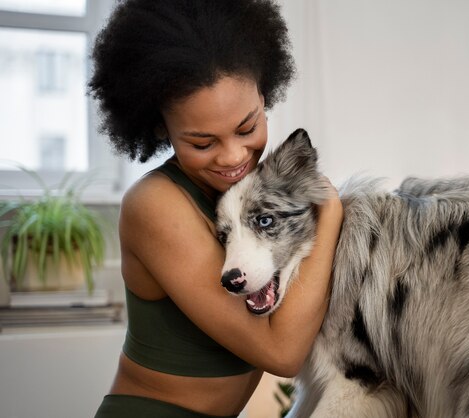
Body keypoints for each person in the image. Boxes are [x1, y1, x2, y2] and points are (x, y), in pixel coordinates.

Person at [88, 1, 343, 417]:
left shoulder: (255, 193)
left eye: (247, 127)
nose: (233, 157)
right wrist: (328, 211)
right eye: (203, 143)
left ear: (265, 94)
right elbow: (281, 352)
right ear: (160, 127)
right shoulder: (156, 205)